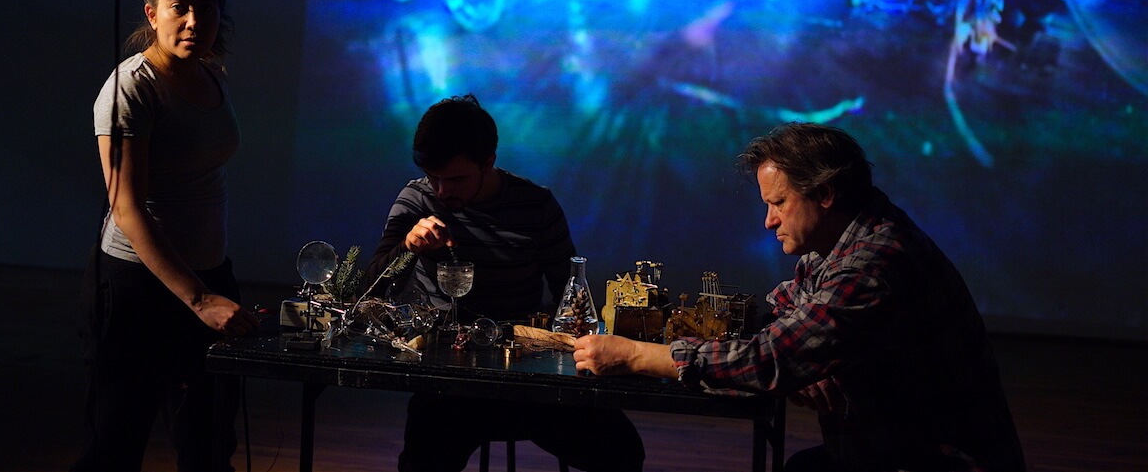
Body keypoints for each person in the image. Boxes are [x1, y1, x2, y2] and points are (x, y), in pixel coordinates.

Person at [572, 122, 1026, 472]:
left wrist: (634, 355)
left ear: (825, 193)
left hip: (939, 460)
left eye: (779, 203)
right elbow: (792, 314)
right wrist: (816, 360)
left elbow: (771, 359)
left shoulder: (874, 262)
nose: (769, 221)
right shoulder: (846, 237)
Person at [363, 94, 645, 472]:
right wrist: (407, 247)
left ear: (489, 162)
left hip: (526, 373)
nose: (444, 192)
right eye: (435, 179)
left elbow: (570, 290)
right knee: (422, 462)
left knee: (622, 452)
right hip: (448, 377)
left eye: (457, 179)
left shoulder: (535, 205)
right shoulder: (416, 199)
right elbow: (371, 288)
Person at [74, 0, 259, 472]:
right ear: (152, 12)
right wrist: (200, 300)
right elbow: (127, 208)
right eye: (180, 6)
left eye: (206, 7)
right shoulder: (131, 88)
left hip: (208, 276)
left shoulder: (208, 75)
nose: (193, 21)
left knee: (207, 441)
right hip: (136, 288)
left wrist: (211, 288)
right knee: (116, 444)